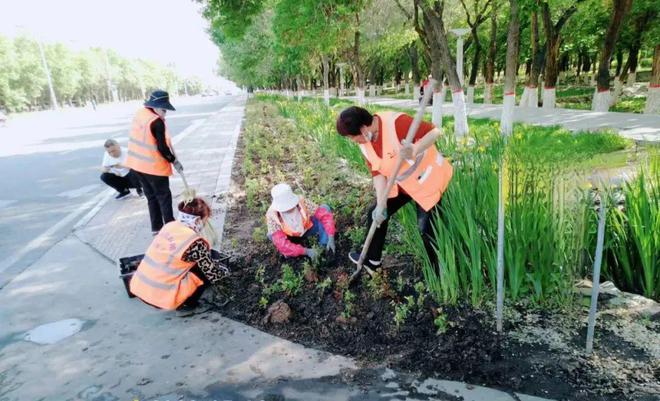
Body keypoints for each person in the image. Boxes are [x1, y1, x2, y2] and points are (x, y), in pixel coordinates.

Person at [335, 106, 453, 269]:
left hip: (427, 180)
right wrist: (381, 204)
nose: (354, 142)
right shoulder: (365, 142)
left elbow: (435, 132)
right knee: (374, 215)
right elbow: (377, 173)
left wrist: (415, 149)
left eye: (353, 138)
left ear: (363, 129)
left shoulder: (396, 124)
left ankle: (439, 273)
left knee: (426, 229)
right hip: (404, 184)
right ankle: (372, 261)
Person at [130, 197, 229, 311]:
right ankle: (187, 305)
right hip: (162, 299)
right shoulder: (194, 242)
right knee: (203, 272)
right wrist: (225, 271)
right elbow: (213, 274)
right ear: (197, 221)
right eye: (205, 221)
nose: (204, 225)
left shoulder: (169, 226)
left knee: (196, 264)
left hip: (140, 288)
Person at [125, 89, 184, 235]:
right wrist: (174, 161)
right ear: (156, 107)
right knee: (163, 196)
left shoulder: (141, 114)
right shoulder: (156, 121)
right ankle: (170, 229)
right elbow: (162, 149)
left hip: (137, 166)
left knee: (151, 197)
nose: (165, 113)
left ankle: (156, 228)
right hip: (153, 167)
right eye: (164, 109)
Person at [266, 183, 336, 259]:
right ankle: (293, 251)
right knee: (271, 235)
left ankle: (324, 245)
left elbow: (324, 215)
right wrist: (306, 251)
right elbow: (281, 243)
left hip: (307, 229)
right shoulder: (273, 217)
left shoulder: (302, 202)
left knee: (325, 208)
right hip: (290, 237)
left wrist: (331, 236)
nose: (289, 208)